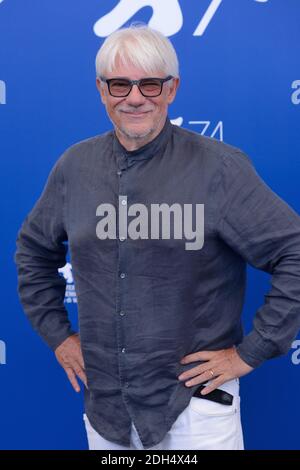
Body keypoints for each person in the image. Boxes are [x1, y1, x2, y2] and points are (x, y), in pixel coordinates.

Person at [14, 24, 300, 451]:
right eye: (119, 84)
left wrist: (249, 352)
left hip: (196, 412)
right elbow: (33, 251)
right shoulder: (74, 168)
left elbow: (293, 251)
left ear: (172, 89)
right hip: (107, 411)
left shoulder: (219, 168)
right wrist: (58, 334)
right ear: (101, 90)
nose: (134, 98)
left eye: (149, 84)